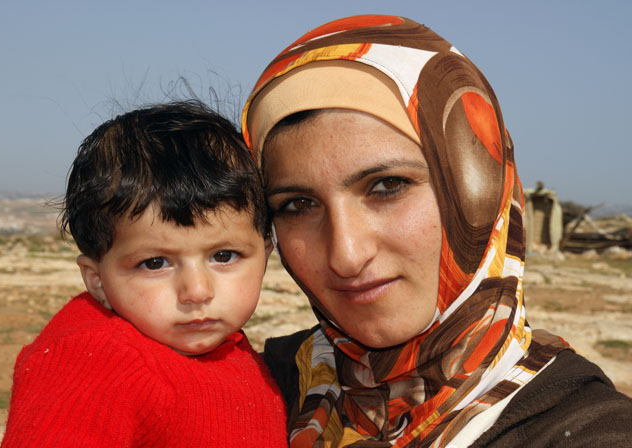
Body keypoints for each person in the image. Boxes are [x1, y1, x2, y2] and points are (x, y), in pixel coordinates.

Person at [242, 15, 632, 447]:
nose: (346, 255)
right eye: (298, 205)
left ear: (477, 188)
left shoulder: (590, 432)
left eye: (388, 186)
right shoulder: (249, 390)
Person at [0, 101, 287, 447]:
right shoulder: (95, 360)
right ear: (97, 281)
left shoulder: (238, 355)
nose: (197, 291)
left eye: (223, 256)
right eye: (155, 263)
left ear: (265, 255)